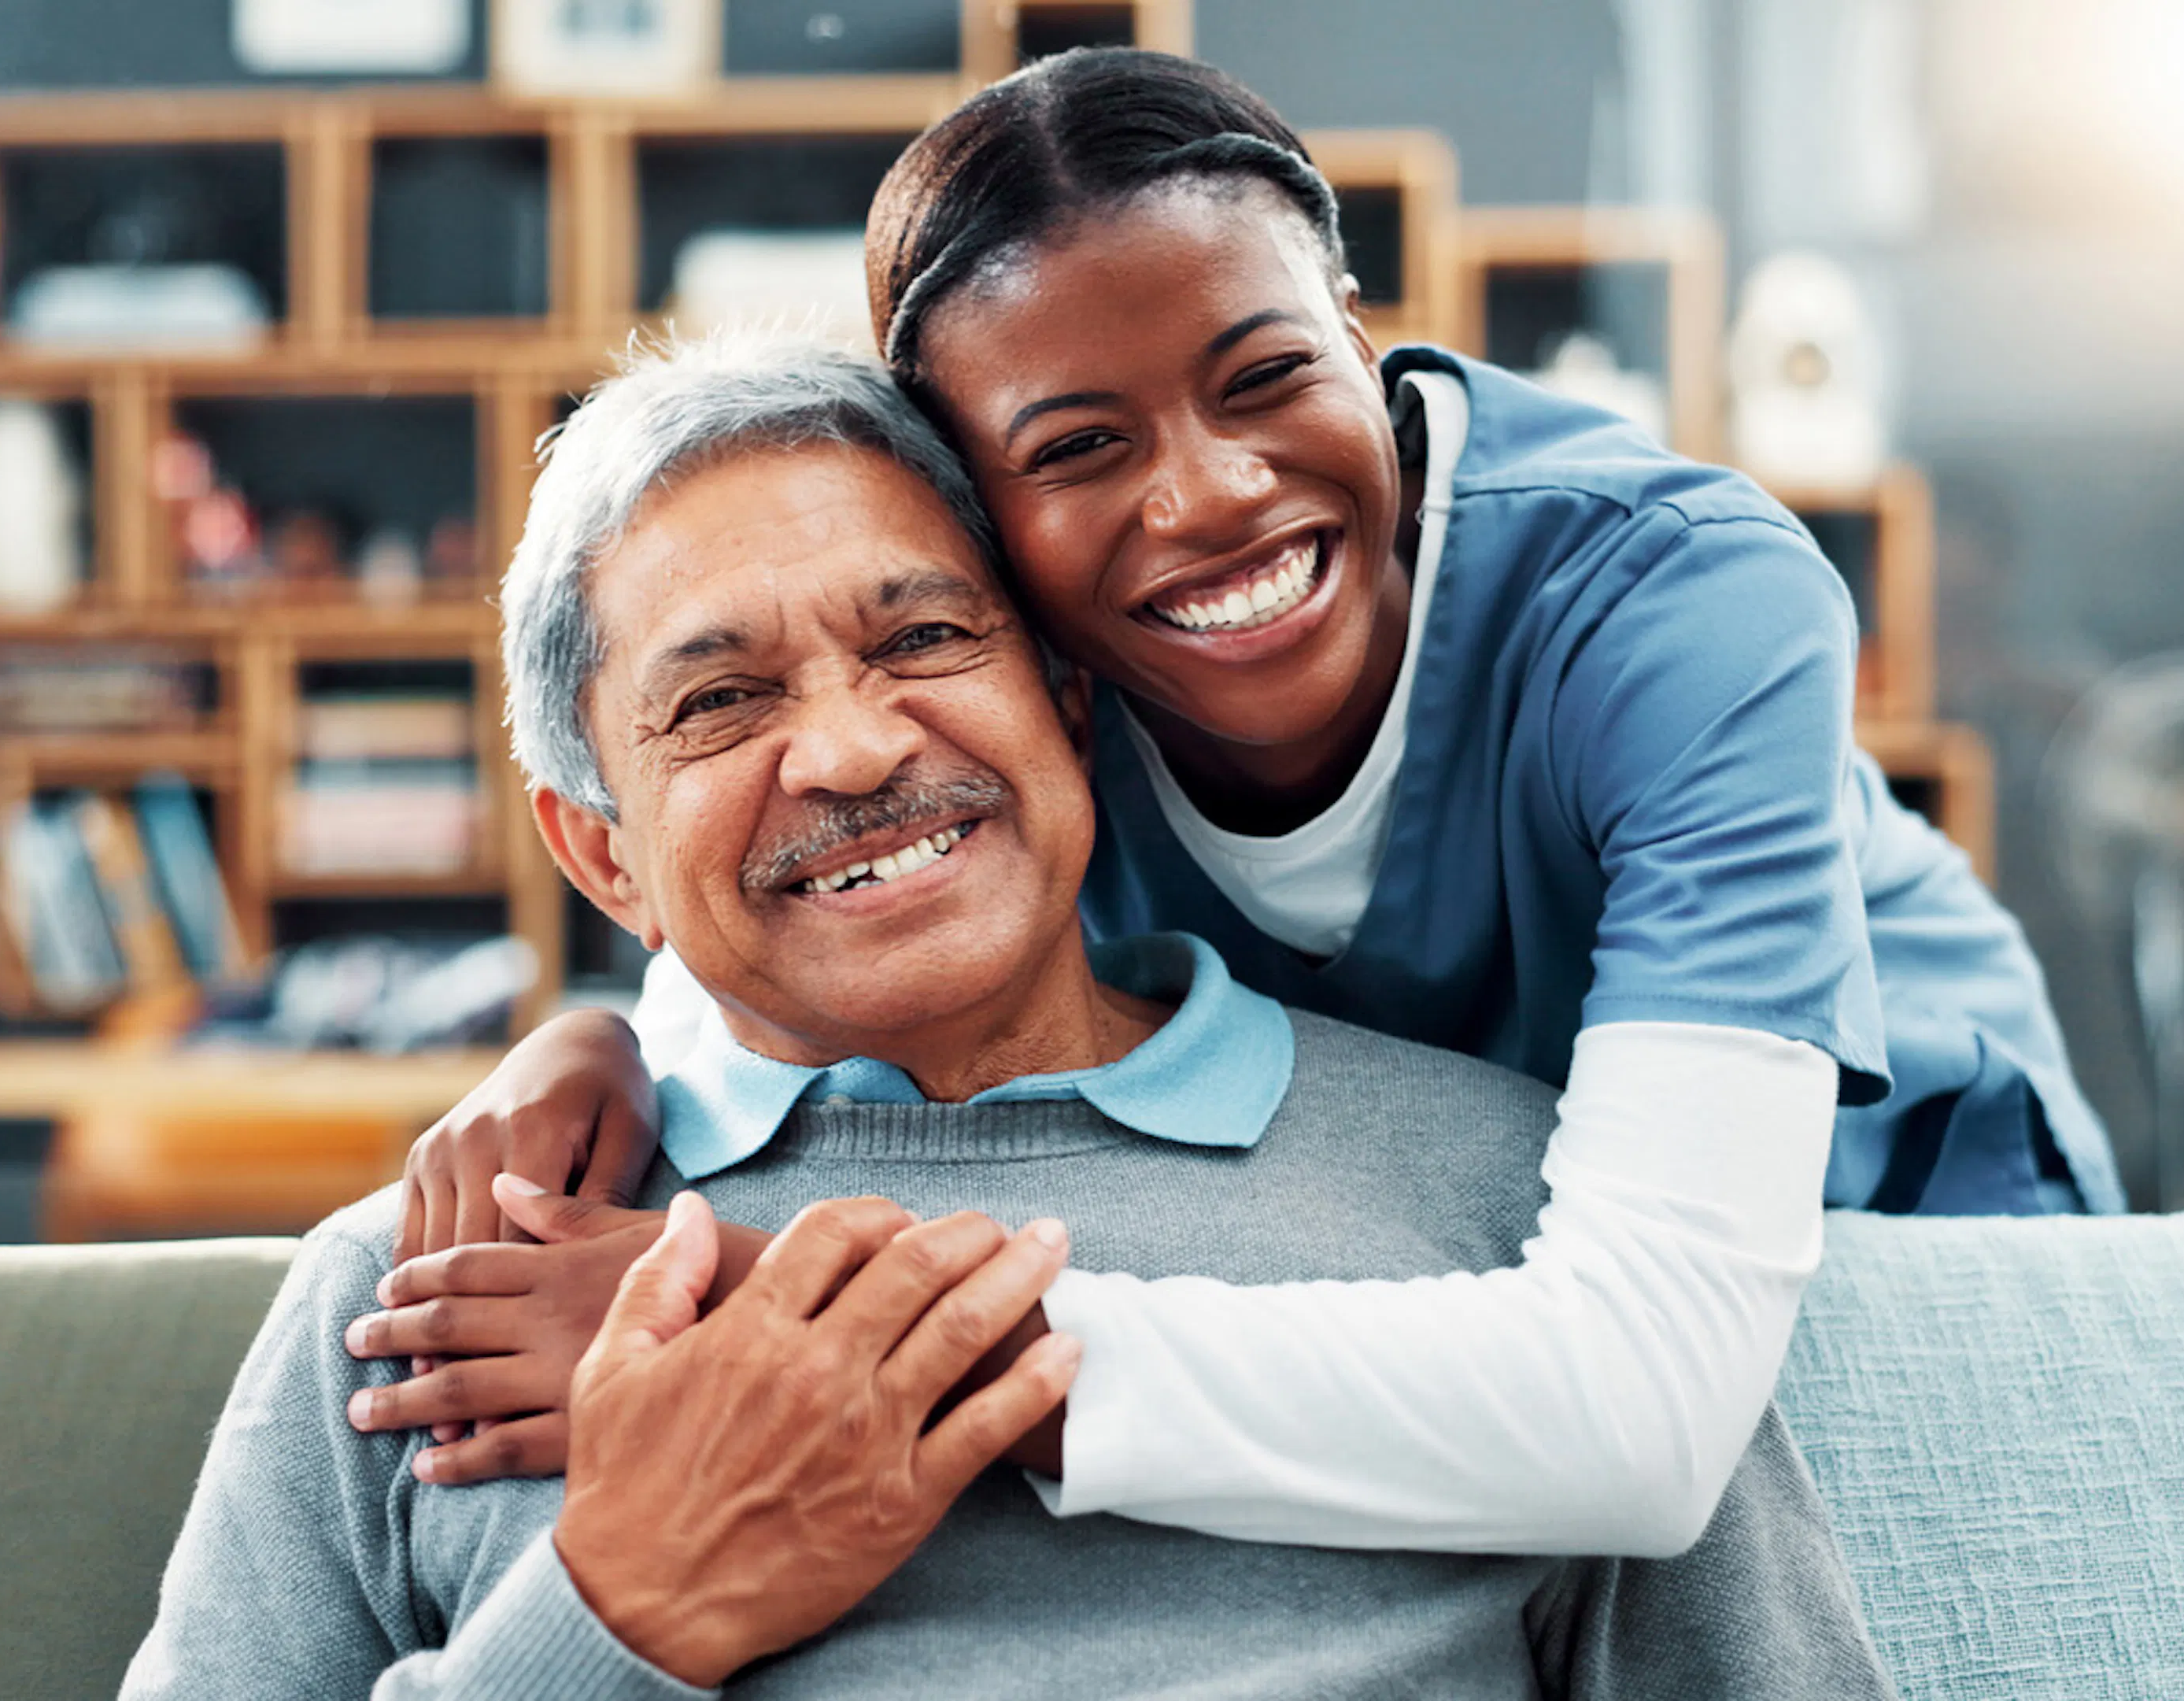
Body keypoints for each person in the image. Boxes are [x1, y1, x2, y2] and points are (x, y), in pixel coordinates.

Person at [366, 50, 2118, 1545]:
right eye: (1076, 447)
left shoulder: (1673, 605)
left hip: (1852, 1215)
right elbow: (823, 853)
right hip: (1474, 1237)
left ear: (1360, 334)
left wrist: (773, 1328)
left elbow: (1651, 1412)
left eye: (1266, 374)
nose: (1205, 498)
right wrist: (610, 1035)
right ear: (975, 519)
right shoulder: (1022, 672)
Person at [121, 338, 1897, 1699]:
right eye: (724, 699)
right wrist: (617, 1616)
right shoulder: (425, 1290)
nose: (854, 747)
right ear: (603, 859)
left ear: (1065, 701)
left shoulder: (1523, 1218)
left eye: (921, 640)